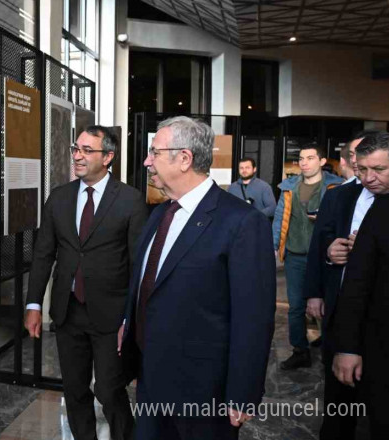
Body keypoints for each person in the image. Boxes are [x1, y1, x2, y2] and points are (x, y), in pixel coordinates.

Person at [118, 117, 275, 440]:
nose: (146, 161)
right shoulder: (160, 214)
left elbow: (253, 317)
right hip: (151, 378)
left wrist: (243, 392)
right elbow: (147, 282)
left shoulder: (242, 222)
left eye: (154, 153)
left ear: (185, 158)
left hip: (205, 391)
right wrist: (129, 324)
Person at [24, 126, 147, 440]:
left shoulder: (130, 200)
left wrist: (130, 319)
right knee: (75, 389)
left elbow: (138, 265)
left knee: (108, 390)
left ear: (108, 157)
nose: (77, 156)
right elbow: (43, 254)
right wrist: (34, 303)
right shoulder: (60, 198)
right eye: (75, 149)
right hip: (68, 312)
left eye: (87, 150)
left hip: (111, 315)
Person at [303, 131, 384, 439]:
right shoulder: (339, 195)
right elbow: (319, 246)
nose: (365, 171)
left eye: (374, 166)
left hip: (382, 320)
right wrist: (328, 255)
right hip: (342, 309)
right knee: (339, 399)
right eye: (358, 160)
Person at [331, 132, 389, 439]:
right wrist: (347, 346)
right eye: (363, 169)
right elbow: (356, 283)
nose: (368, 178)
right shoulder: (381, 210)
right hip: (383, 343)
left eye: (379, 170)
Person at [272, 143, 342, 370]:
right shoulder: (289, 187)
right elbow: (280, 217)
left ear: (322, 162)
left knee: (327, 303)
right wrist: (274, 245)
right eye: (301, 158)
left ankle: (328, 346)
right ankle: (300, 350)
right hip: (295, 254)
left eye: (310, 158)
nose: (304, 162)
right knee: (295, 306)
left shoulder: (335, 187)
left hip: (325, 255)